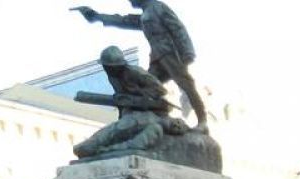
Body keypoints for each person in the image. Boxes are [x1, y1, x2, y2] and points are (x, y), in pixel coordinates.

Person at [75, 0, 208, 127]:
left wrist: (187, 52)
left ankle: (202, 122)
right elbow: (124, 20)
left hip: (171, 54)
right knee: (146, 89)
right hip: (157, 58)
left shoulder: (157, 7)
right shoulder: (146, 14)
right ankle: (152, 118)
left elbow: (178, 28)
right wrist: (96, 16)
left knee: (186, 85)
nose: (129, 1)